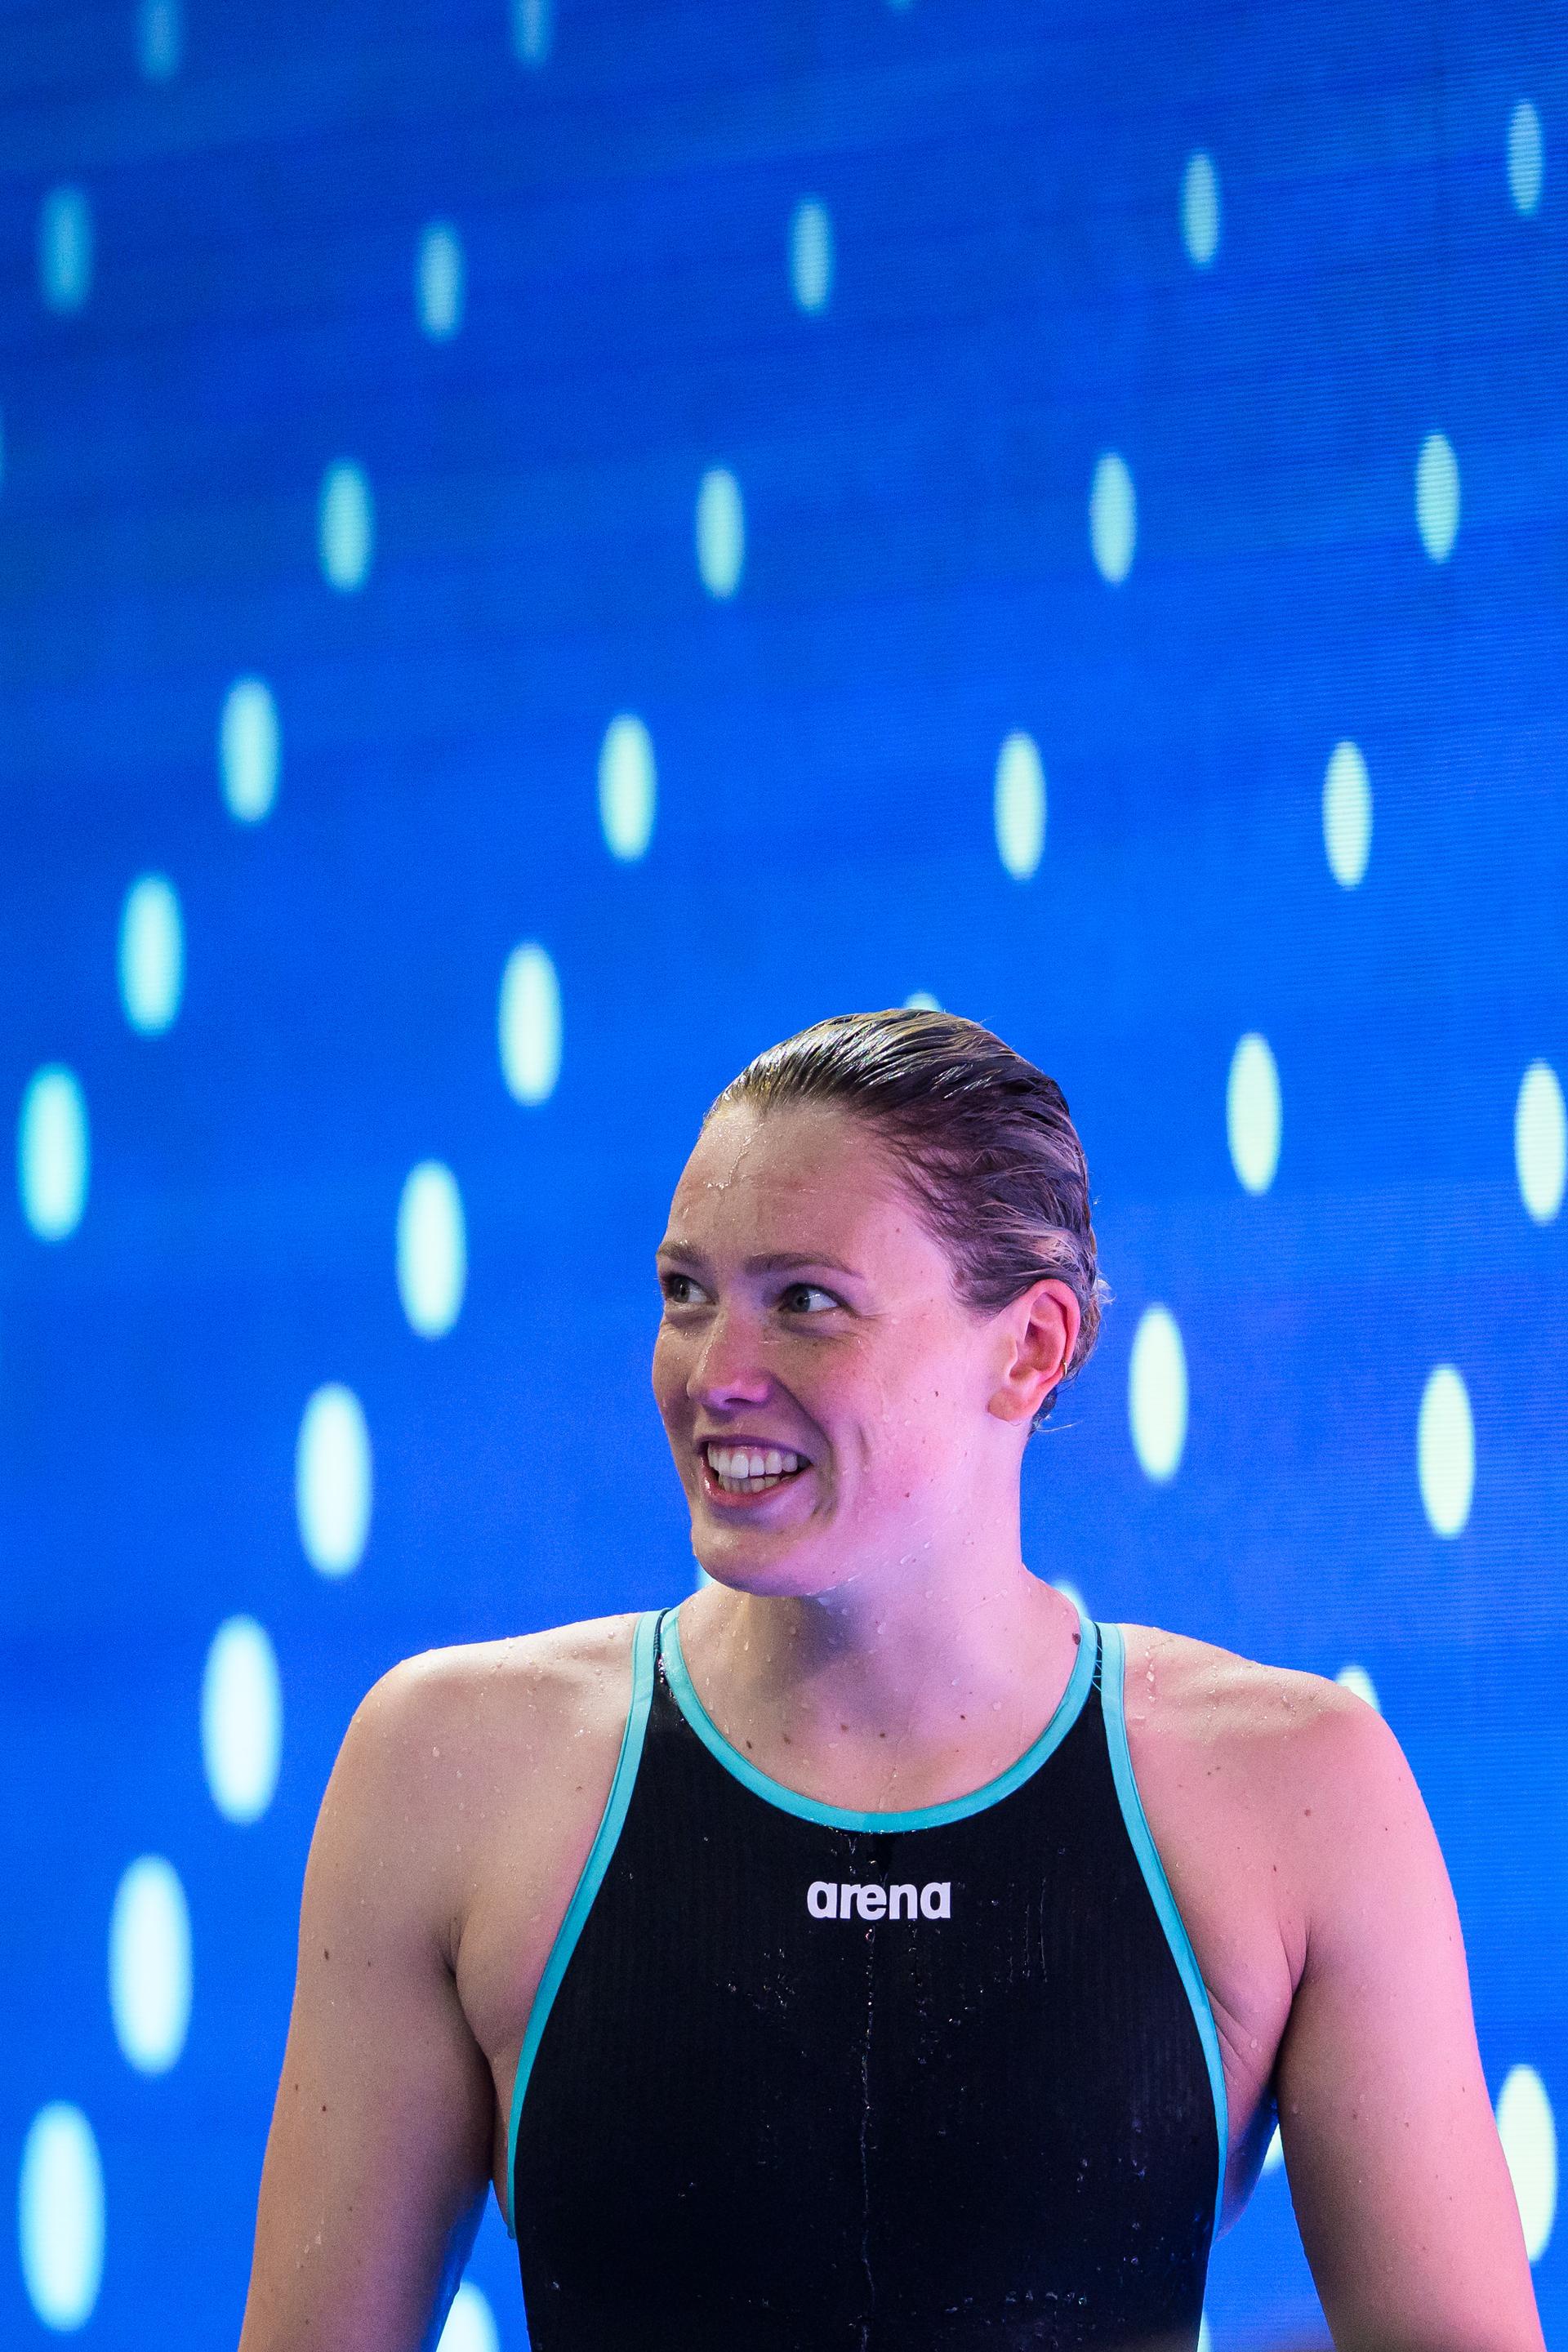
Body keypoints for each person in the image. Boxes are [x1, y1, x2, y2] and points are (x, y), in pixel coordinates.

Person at [237, 1009, 1544, 2352]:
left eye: (806, 1302)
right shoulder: (450, 1767)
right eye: (688, 1294)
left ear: (1031, 1348)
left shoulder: (1292, 1790)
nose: (716, 1375)